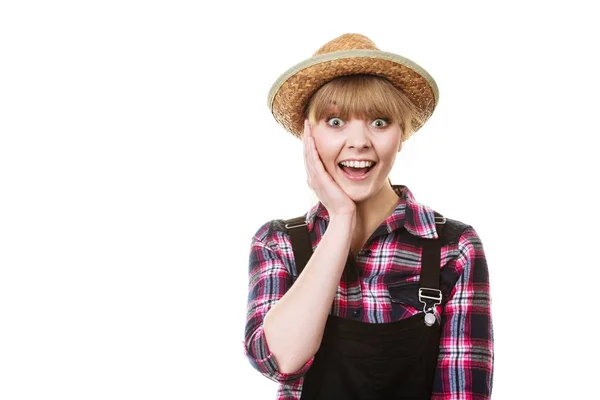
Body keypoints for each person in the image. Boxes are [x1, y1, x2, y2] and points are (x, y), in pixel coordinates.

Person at [243, 33, 494, 400]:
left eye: (379, 122)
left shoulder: (454, 248)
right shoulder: (278, 242)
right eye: (334, 122)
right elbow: (278, 361)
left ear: (402, 134)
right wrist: (341, 217)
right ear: (307, 135)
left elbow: (464, 392)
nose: (359, 141)